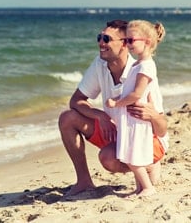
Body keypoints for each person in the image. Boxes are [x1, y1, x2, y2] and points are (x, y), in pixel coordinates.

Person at [58, 19, 168, 197]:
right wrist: (99, 115)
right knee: (67, 118)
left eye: (107, 39)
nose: (101, 42)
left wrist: (154, 116)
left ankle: (149, 164)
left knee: (108, 158)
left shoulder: (141, 71)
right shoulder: (99, 64)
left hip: (146, 140)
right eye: (99, 37)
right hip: (116, 132)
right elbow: (76, 101)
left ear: (125, 44)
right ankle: (84, 181)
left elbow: (162, 130)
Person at [106, 20, 168, 196]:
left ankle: (148, 187)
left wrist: (116, 103)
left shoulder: (147, 66)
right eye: (125, 40)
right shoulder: (137, 65)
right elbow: (128, 91)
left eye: (131, 40)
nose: (127, 44)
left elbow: (136, 94)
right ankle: (140, 188)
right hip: (130, 118)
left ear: (147, 41)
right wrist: (117, 98)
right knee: (130, 154)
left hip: (137, 120)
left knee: (134, 157)